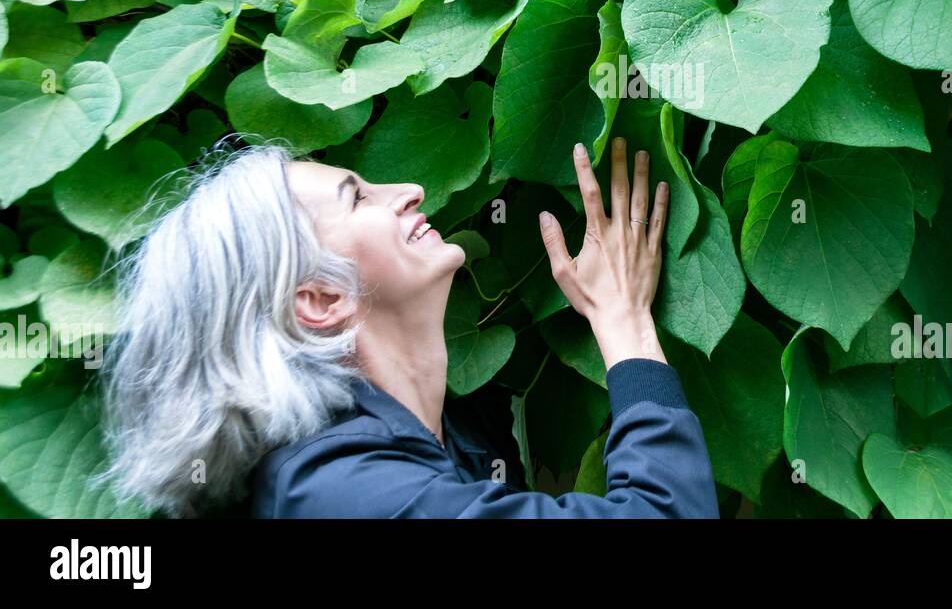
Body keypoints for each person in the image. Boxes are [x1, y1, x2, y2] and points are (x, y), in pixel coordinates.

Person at [96, 134, 720, 519]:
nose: (412, 189)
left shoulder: (457, 434)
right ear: (318, 298)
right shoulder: (342, 496)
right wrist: (625, 322)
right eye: (358, 198)